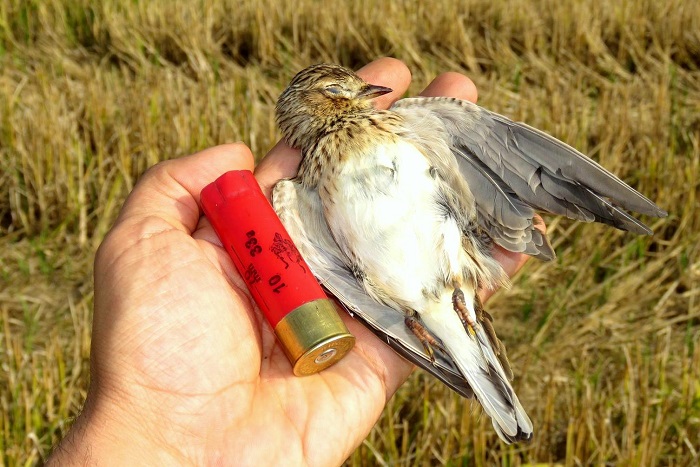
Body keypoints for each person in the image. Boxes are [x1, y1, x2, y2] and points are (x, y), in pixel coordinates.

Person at [47, 58, 535, 466]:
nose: (366, 96)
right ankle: (462, 350)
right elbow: (339, 279)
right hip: (403, 300)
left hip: (453, 274)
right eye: (345, 93)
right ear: (325, 105)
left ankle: (465, 339)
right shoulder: (295, 198)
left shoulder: (402, 126)